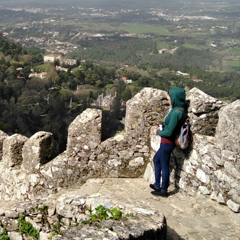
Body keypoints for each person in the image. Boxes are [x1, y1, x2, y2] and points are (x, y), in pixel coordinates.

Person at [150, 87, 187, 197]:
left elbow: (169, 132)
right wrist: (161, 126)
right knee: (156, 159)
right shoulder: (178, 109)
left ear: (175, 97)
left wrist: (157, 132)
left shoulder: (176, 113)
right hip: (166, 142)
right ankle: (157, 184)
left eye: (169, 96)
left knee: (164, 164)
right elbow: (169, 126)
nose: (167, 98)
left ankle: (163, 190)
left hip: (167, 142)